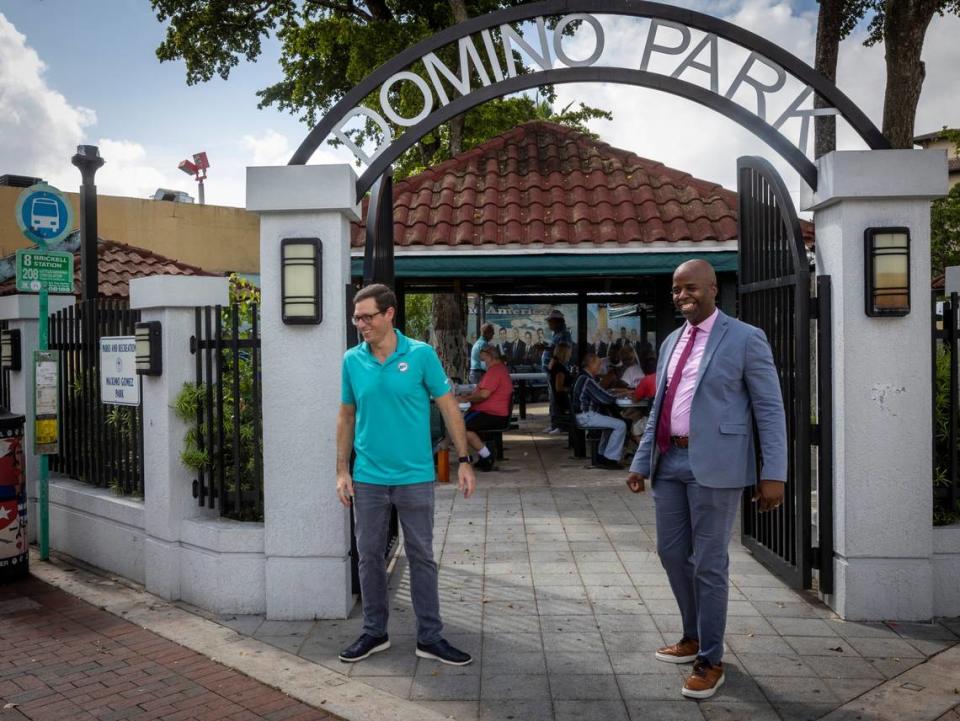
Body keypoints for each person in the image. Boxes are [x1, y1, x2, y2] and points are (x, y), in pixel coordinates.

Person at [625, 259, 786, 700]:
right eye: (676, 290)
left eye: (690, 288)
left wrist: (774, 473)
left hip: (717, 466)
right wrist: (641, 462)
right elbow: (659, 407)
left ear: (713, 289)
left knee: (710, 563)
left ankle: (710, 660)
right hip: (669, 462)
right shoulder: (673, 339)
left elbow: (769, 409)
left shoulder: (746, 338)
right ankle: (692, 635)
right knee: (672, 553)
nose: (682, 296)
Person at [336, 284, 477, 667]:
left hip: (414, 475)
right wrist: (342, 470)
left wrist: (464, 459)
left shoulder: (420, 355)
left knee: (421, 557)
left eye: (367, 316)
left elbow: (449, 407)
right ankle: (374, 632)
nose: (360, 323)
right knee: (367, 556)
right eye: (356, 317)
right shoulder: (352, 360)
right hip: (367, 477)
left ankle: (430, 638)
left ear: (389, 314)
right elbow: (347, 416)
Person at [458, 345, 511, 471]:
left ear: (490, 356)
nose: (483, 363)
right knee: (459, 423)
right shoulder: (498, 369)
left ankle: (486, 456)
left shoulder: (495, 371)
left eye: (484, 360)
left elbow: (483, 395)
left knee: (460, 428)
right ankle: (482, 455)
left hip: (493, 414)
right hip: (492, 412)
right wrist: (469, 397)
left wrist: (466, 399)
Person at [573, 353, 628, 470]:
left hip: (582, 415)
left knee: (611, 425)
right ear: (591, 364)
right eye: (598, 364)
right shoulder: (587, 380)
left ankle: (602, 455)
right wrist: (620, 395)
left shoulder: (583, 377)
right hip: (586, 416)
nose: (600, 367)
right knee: (621, 425)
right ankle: (610, 459)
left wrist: (614, 393)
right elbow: (605, 399)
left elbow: (600, 393)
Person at [547, 341, 573, 432]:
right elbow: (559, 388)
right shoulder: (560, 369)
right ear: (564, 354)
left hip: (558, 401)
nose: (570, 355)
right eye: (569, 353)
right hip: (564, 400)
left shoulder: (555, 366)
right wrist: (572, 388)